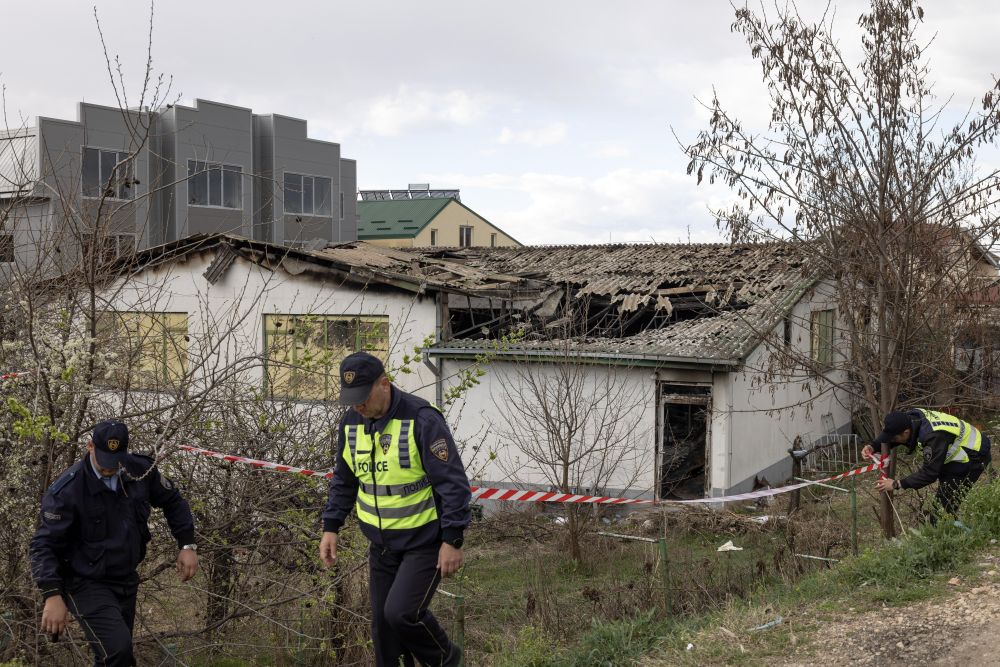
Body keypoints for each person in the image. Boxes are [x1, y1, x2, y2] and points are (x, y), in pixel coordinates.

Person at [320, 351, 471, 667]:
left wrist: (452, 539)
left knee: (401, 613)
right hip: (382, 544)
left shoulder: (421, 419)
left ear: (384, 385)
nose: (357, 406)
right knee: (384, 633)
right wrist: (330, 526)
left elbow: (453, 484)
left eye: (362, 397)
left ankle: (446, 659)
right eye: (351, 399)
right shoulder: (351, 423)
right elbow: (344, 480)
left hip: (424, 540)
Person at [30, 420, 198, 666]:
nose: (110, 468)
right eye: (104, 460)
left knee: (116, 656)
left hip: (125, 578)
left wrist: (187, 545)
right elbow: (43, 545)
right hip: (84, 581)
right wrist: (52, 595)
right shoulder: (67, 491)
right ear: (90, 447)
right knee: (117, 652)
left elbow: (173, 501)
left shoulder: (139, 471)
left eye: (116, 461)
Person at [863, 408, 992, 516]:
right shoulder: (912, 418)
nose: (892, 440)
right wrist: (873, 446)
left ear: (906, 432)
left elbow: (929, 473)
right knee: (944, 503)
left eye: (894, 437)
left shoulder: (932, 436)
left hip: (975, 455)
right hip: (958, 451)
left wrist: (897, 484)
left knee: (942, 509)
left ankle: (950, 539)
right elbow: (894, 435)